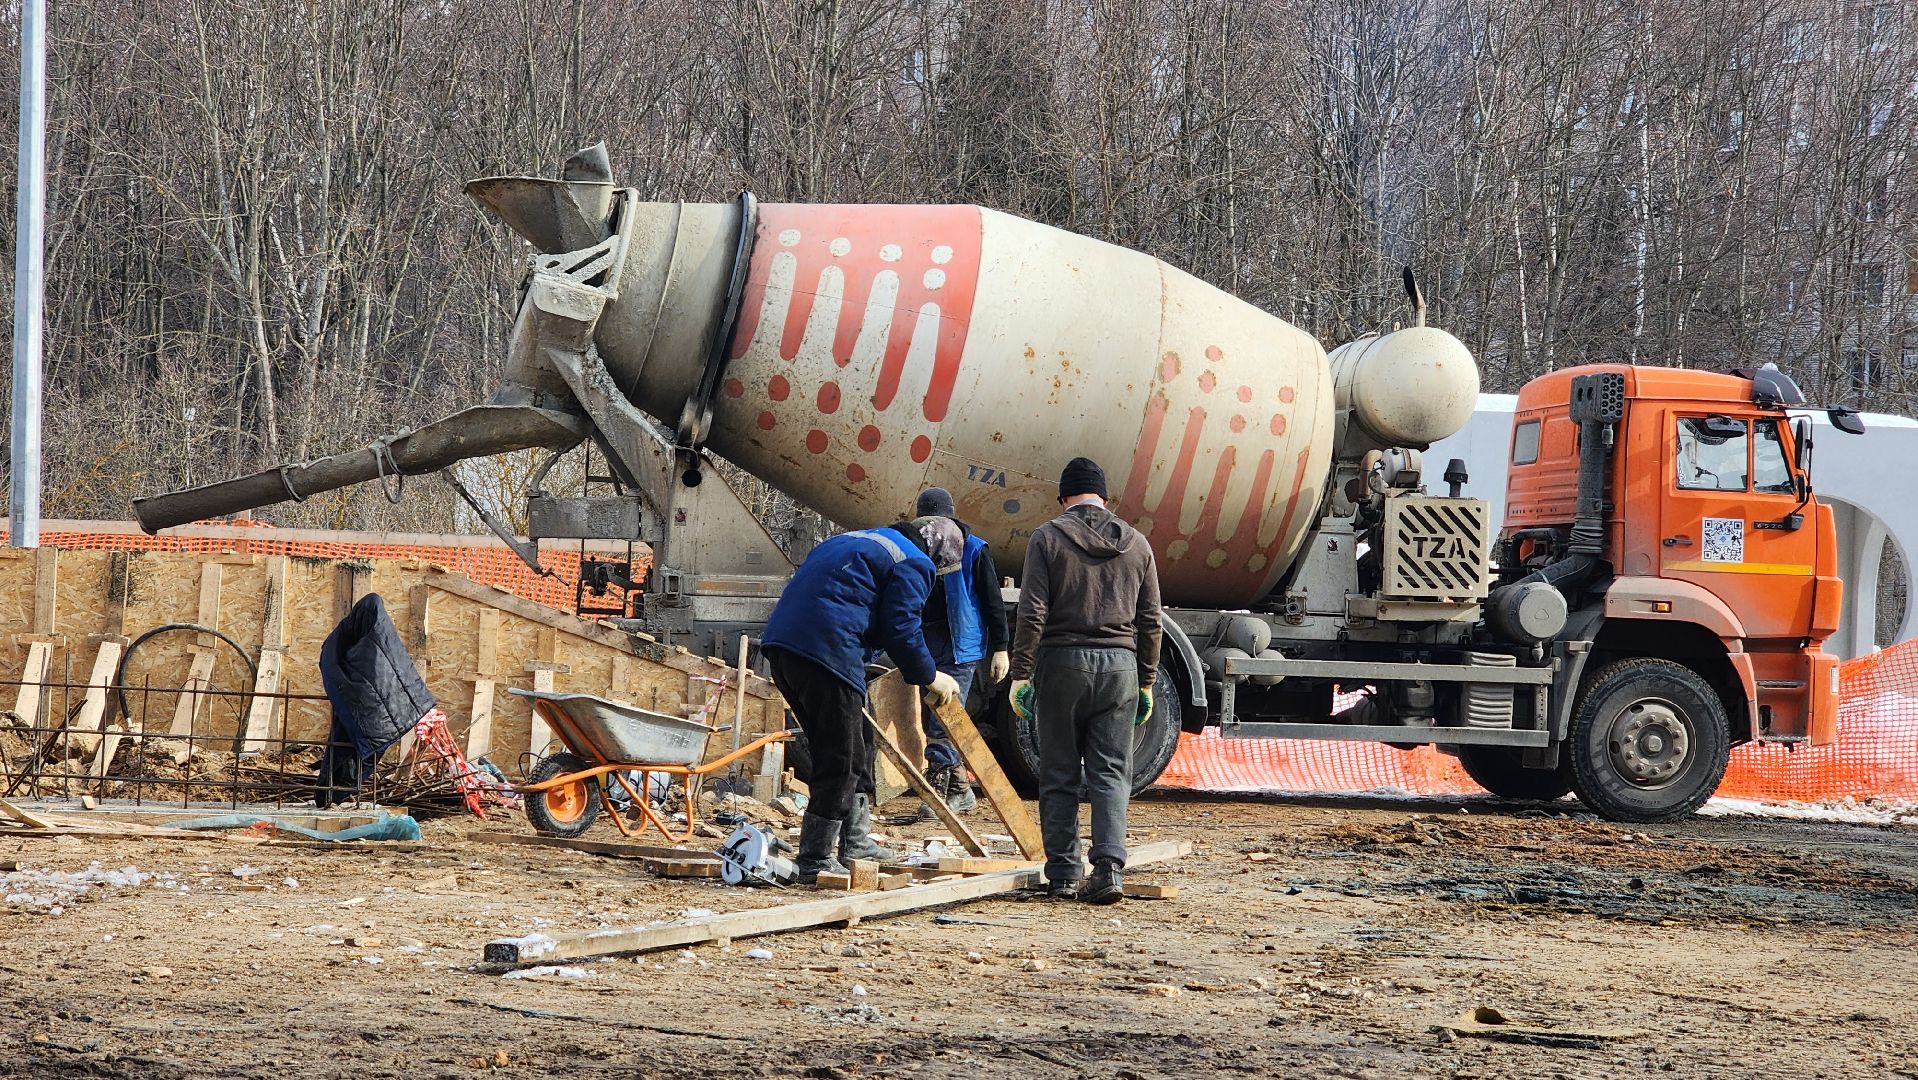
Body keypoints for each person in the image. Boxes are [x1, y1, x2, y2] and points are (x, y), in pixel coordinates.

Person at [763, 521, 963, 883]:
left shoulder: (857, 540)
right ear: (940, 554)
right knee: (842, 756)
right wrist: (931, 676)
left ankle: (855, 841)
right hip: (827, 650)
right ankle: (816, 857)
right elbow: (901, 628)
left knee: (859, 744)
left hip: (784, 647)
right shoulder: (914, 561)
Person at [1008, 457, 1162, 904]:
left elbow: (1032, 610)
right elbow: (1151, 620)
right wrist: (1147, 681)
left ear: (1063, 499)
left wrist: (1021, 674)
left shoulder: (1048, 537)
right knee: (1112, 772)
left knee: (1057, 772)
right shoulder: (1138, 545)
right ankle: (1109, 871)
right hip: (1120, 668)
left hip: (1062, 665)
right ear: (1106, 500)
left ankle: (1061, 876)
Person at [911, 487, 1010, 815]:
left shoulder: (975, 550)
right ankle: (961, 792)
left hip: (960, 645)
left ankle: (937, 794)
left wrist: (1001, 648)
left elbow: (993, 602)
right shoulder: (917, 547)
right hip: (928, 642)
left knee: (944, 720)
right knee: (931, 719)